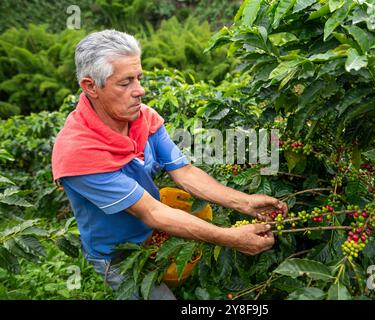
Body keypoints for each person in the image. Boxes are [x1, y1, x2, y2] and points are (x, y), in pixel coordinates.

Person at [51, 30, 287, 300]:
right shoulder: (77, 152)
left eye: (139, 78)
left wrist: (245, 202)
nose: (140, 90)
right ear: (91, 86)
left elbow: (184, 172)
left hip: (155, 235)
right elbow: (151, 211)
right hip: (118, 255)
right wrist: (231, 238)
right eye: (125, 82)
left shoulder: (143, 118)